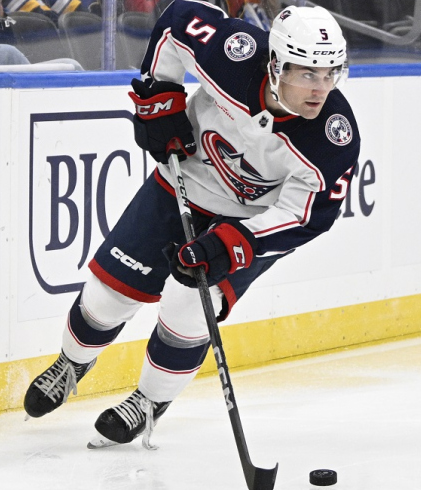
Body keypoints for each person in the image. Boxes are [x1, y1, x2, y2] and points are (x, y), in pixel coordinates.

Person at [23, 0, 360, 449]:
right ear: (274, 64)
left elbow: (308, 215)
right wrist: (160, 97)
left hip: (247, 222)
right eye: (307, 74)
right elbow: (177, 21)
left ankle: (148, 401)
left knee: (188, 306)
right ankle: (72, 363)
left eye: (331, 73)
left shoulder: (333, 136)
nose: (321, 89)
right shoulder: (235, 52)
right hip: (183, 181)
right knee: (108, 296)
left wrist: (233, 243)